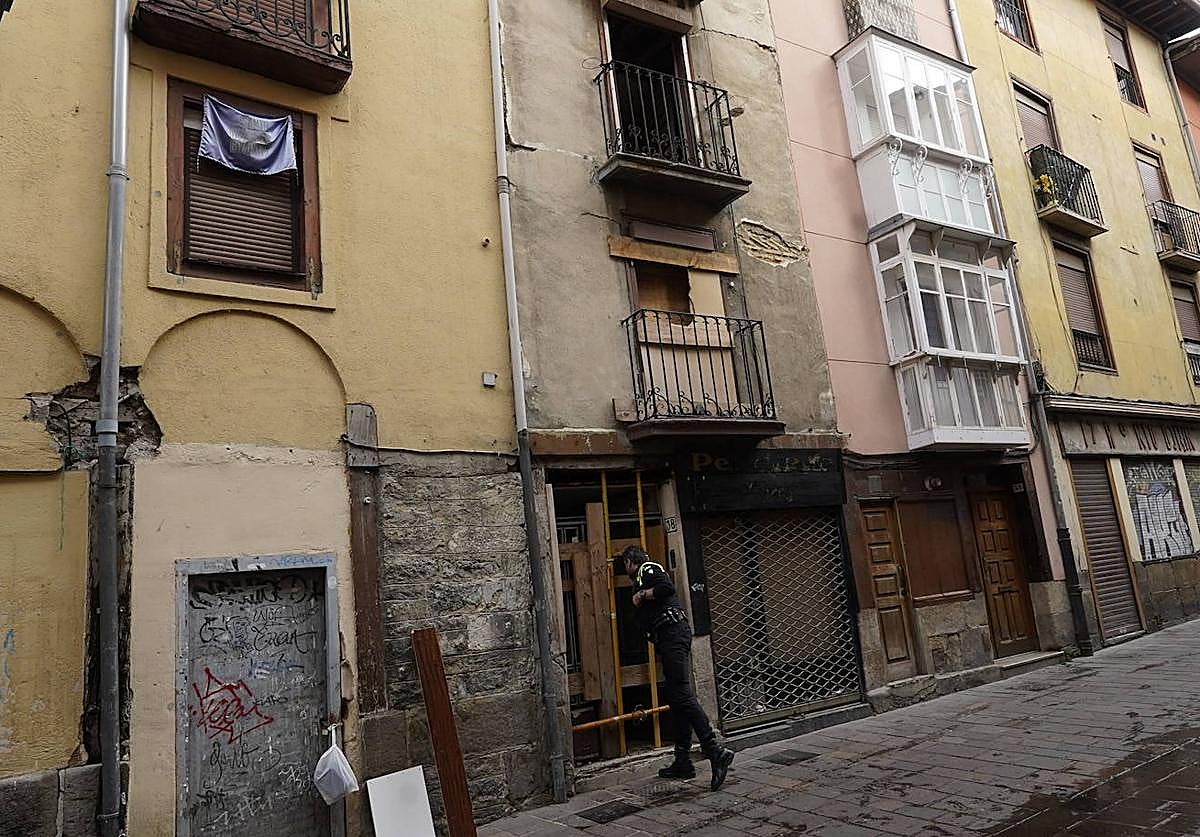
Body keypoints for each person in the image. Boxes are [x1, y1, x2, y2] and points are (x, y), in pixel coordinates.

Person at [619, 544, 735, 790]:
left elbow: (666, 588)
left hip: (672, 634)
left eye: (624, 564)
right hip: (669, 638)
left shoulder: (647, 568)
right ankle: (682, 760)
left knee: (682, 694)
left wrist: (642, 596)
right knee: (676, 698)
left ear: (630, 561)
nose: (625, 568)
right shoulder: (641, 577)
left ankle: (715, 750)